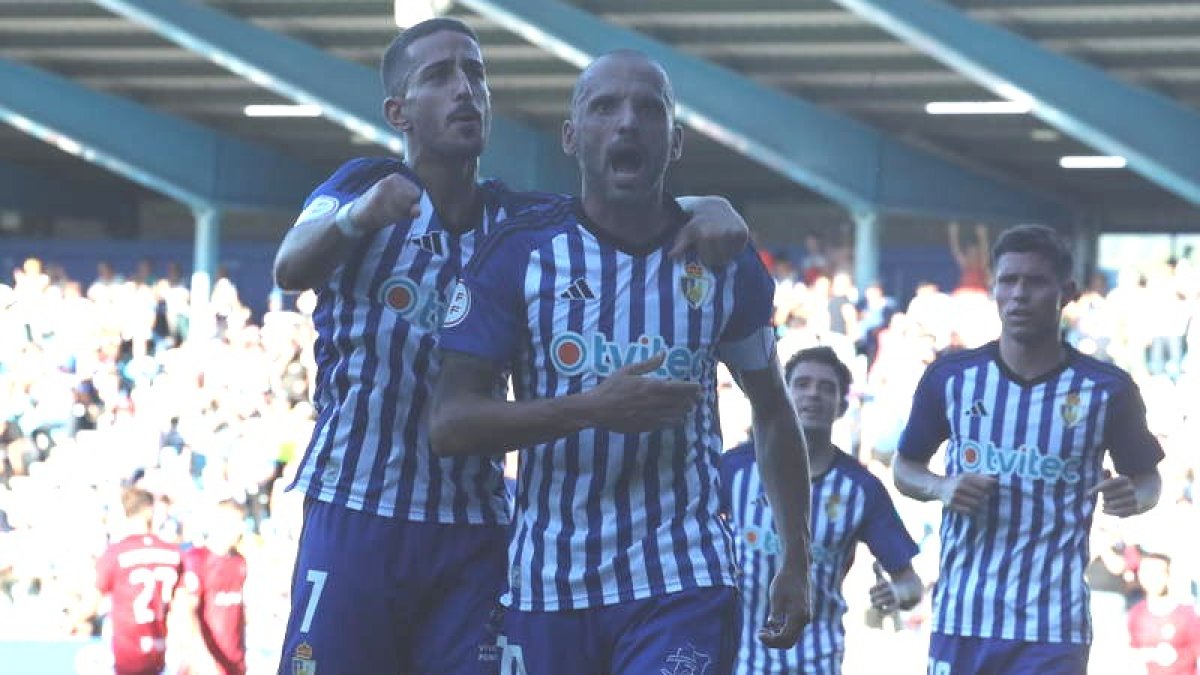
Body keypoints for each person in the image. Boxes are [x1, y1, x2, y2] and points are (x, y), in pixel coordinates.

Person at [271, 18, 751, 675]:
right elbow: (290, 267)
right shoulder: (361, 183)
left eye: (476, 74)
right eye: (440, 76)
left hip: (477, 525)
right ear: (397, 112)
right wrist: (359, 216)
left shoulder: (519, 225)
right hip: (359, 508)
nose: (465, 90)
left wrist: (712, 203)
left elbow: (619, 201)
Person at [430, 49, 813, 674]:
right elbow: (450, 424)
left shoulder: (723, 258)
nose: (628, 123)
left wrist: (796, 560)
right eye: (605, 107)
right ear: (571, 136)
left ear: (677, 140)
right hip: (549, 582)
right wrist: (589, 409)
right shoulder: (523, 254)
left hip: (682, 572)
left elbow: (772, 410)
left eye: (649, 109)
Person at [893, 223, 1165, 674]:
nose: (1019, 294)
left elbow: (1149, 480)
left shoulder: (1106, 389)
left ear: (1067, 292)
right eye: (1008, 280)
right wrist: (941, 487)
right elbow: (905, 467)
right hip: (964, 616)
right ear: (994, 289)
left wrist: (1135, 498)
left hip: (1053, 627)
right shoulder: (951, 377)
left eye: (1035, 282)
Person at [720, 346, 922, 674]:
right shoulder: (735, 467)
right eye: (801, 384)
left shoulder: (861, 488)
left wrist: (895, 592)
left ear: (842, 405)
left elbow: (910, 584)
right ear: (782, 394)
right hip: (739, 659)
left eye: (826, 388)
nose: (813, 394)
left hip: (816, 661)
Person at [85, 488, 183, 675]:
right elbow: (183, 606)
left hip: (127, 656)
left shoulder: (116, 553)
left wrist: (71, 622)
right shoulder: (172, 553)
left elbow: (92, 603)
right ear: (150, 512)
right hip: (160, 652)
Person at [172, 500, 249, 675]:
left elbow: (238, 614)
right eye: (236, 523)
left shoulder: (239, 562)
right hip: (204, 665)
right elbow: (184, 612)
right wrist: (201, 659)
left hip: (234, 665)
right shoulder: (196, 559)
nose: (241, 529)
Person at [1127, 551, 1200, 675]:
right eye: (1146, 572)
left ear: (1168, 576)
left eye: (1157, 573)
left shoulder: (1187, 614)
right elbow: (1133, 652)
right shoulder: (1136, 613)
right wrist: (1150, 654)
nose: (1151, 578)